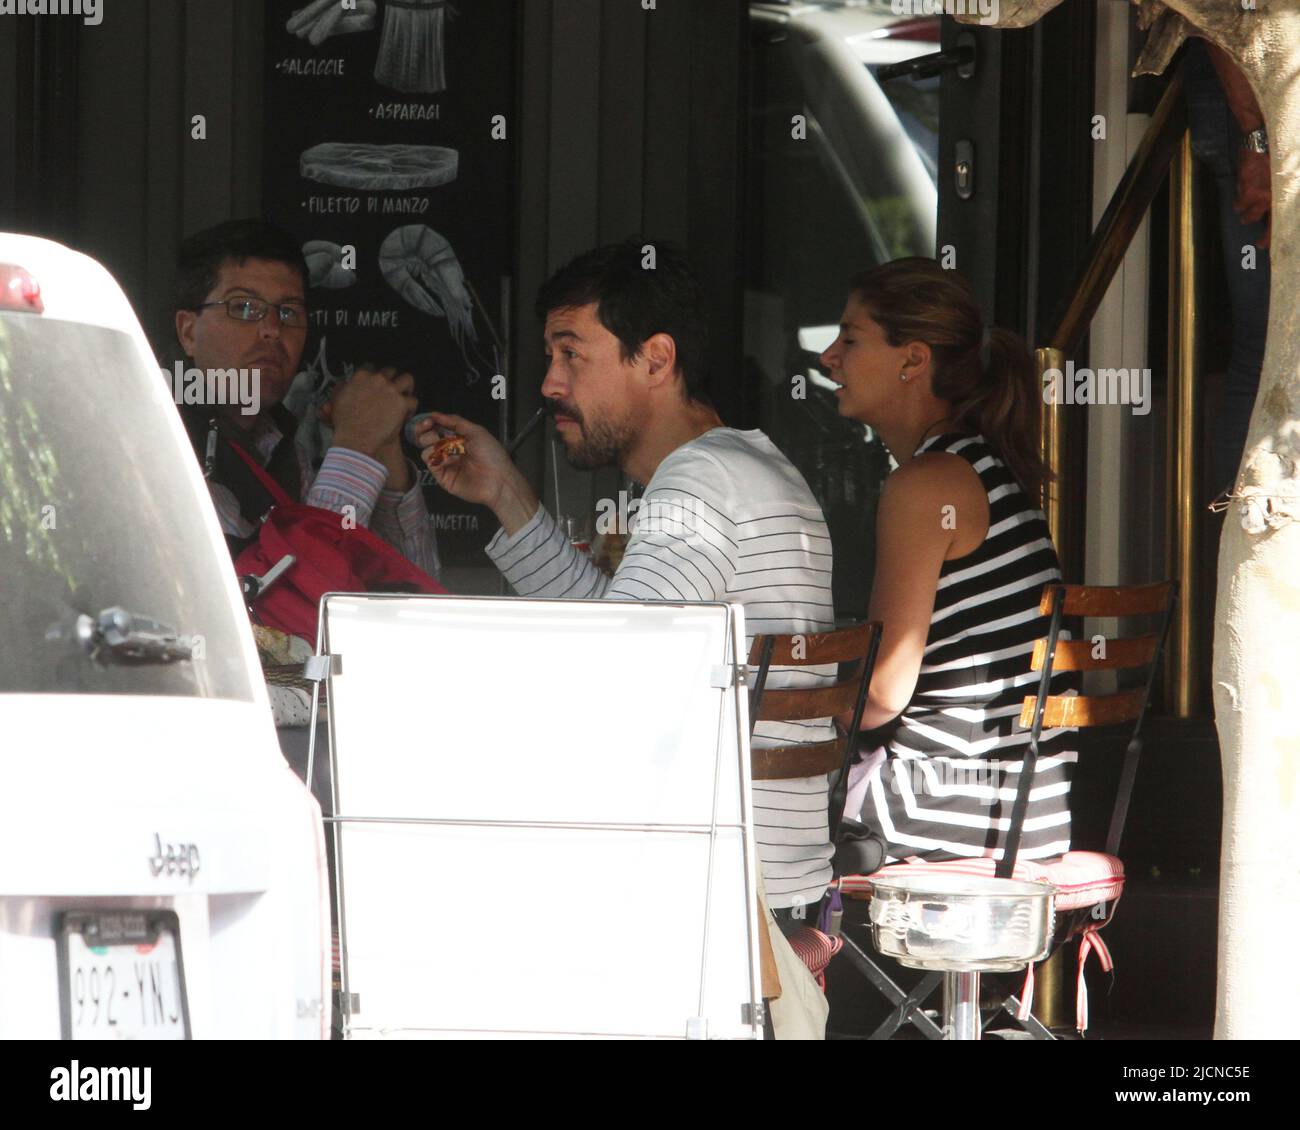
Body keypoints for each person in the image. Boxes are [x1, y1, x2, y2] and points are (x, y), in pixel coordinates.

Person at [415, 239, 837, 919]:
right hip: (764, 875)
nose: (550, 383)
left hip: (701, 887)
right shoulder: (750, 463)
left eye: (571, 354)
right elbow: (619, 639)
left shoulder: (699, 482)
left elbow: (612, 677)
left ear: (656, 359)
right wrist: (506, 494)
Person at [819, 257, 1076, 864]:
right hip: (1030, 812)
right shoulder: (982, 467)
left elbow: (882, 691)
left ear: (913, 360)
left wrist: (785, 708)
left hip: (931, 810)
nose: (829, 357)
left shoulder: (926, 484)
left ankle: (803, 953)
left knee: (735, 808)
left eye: (851, 339)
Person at [173, 219, 440, 578]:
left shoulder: (284, 448)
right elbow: (289, 601)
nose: (271, 329)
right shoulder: (162, 442)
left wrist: (383, 441)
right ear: (188, 333)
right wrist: (355, 444)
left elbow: (409, 588)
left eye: (288, 312)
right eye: (244, 307)